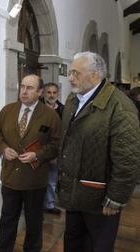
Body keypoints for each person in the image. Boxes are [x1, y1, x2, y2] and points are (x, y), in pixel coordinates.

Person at [57, 51, 140, 252]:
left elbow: (127, 160)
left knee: (98, 246)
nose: (70, 78)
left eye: (76, 73)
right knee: (73, 243)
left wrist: (116, 198)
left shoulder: (120, 107)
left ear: (95, 75)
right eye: (70, 72)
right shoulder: (72, 100)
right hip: (74, 194)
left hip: (100, 199)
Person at [0, 74, 61, 252]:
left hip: (35, 180)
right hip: (10, 178)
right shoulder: (8, 110)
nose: (24, 91)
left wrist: (37, 155)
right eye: (22, 86)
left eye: (30, 88)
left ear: (39, 92)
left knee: (34, 222)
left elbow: (57, 145)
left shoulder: (50, 116)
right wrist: (3, 148)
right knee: (7, 220)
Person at [41, 83, 64, 215]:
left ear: (57, 94)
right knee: (37, 181)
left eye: (54, 92)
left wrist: (56, 154)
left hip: (57, 151)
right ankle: (36, 205)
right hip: (40, 151)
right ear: (44, 93)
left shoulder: (63, 109)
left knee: (52, 180)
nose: (51, 95)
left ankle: (49, 205)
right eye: (49, 92)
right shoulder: (38, 109)